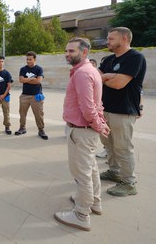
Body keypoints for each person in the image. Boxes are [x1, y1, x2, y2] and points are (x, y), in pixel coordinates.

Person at [54, 37, 110, 232]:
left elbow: (88, 108)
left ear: (84, 52)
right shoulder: (90, 71)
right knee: (91, 168)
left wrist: (98, 123)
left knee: (82, 173)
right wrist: (100, 123)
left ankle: (81, 214)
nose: (67, 54)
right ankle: (94, 201)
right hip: (88, 130)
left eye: (71, 51)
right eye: (66, 51)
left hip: (81, 131)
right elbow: (96, 103)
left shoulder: (82, 74)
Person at [99, 27, 147, 197]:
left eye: (111, 39)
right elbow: (97, 77)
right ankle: (114, 172)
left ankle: (128, 182)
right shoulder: (109, 59)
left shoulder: (135, 58)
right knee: (108, 145)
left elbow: (119, 84)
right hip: (105, 109)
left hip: (123, 111)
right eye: (108, 38)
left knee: (122, 148)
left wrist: (105, 78)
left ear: (125, 39)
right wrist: (107, 76)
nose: (107, 41)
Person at [15, 51, 48, 140]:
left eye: (30, 59)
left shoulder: (39, 69)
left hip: (36, 96)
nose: (28, 61)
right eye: (27, 59)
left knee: (39, 114)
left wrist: (27, 79)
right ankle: (22, 128)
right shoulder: (23, 69)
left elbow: (38, 81)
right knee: (22, 114)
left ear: (34, 59)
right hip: (24, 95)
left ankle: (41, 130)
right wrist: (32, 78)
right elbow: (21, 80)